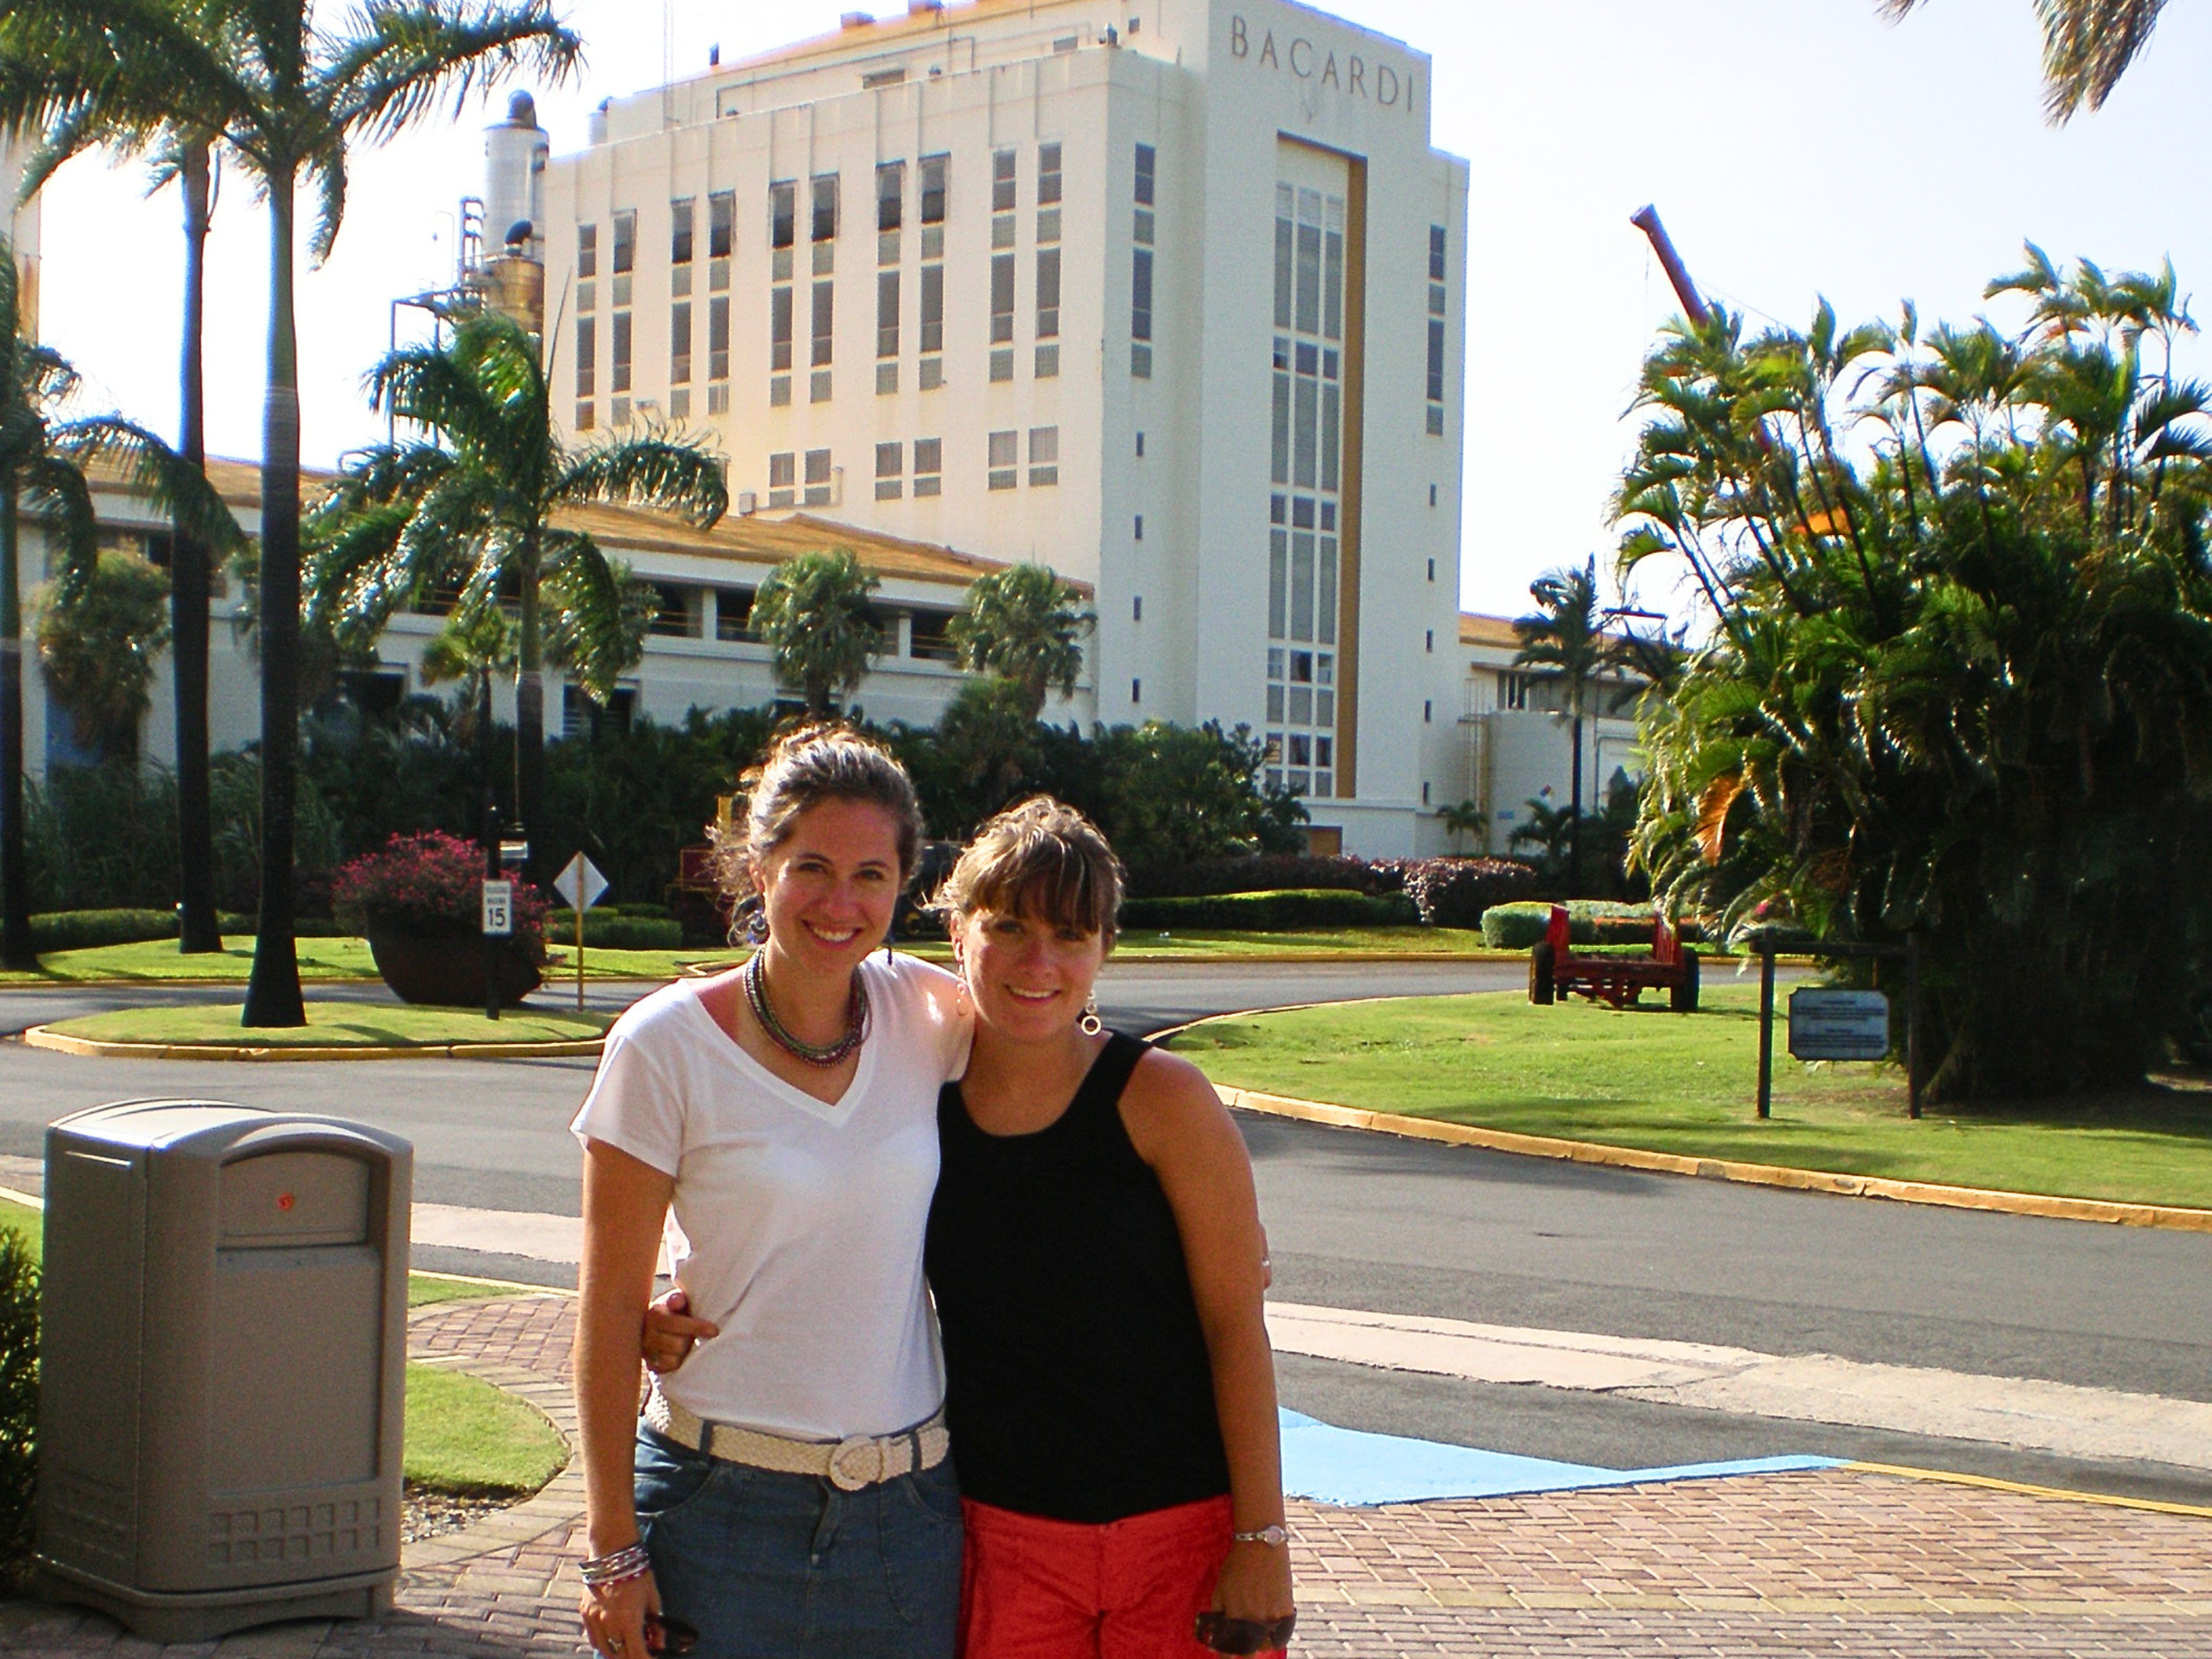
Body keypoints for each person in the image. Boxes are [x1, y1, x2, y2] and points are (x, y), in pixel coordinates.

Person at [649, 796, 1296, 1657]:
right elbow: (815, 1222)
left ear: (1105, 947)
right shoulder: (914, 1096)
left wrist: (1261, 1541)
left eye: (1070, 934)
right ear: (956, 931)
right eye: (1009, 927)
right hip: (999, 1541)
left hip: (1180, 1535)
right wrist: (666, 1305)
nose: (1039, 961)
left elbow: (1235, 1328)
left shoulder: (1165, 1101)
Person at [571, 726, 971, 1659]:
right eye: (812, 867)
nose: (840, 902)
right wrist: (611, 1549)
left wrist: (1196, 1218)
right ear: (759, 869)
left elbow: (1058, 1067)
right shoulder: (662, 1046)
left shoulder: (931, 1015)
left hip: (907, 1523)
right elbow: (603, 1315)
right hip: (718, 1514)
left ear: (903, 884)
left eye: (871, 874)